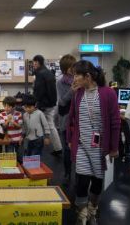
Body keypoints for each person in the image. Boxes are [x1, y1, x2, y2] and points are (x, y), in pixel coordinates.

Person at [67, 60, 120, 225]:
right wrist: (70, 139)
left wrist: (114, 147)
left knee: (97, 181)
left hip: (99, 147)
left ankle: (92, 210)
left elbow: (115, 122)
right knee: (81, 180)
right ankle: (81, 213)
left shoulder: (108, 93)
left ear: (88, 76)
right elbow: (72, 119)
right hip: (82, 144)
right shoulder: (78, 93)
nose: (74, 78)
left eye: (77, 75)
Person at [32, 55, 62, 156]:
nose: (33, 64)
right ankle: (57, 147)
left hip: (45, 104)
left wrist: (35, 102)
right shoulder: (48, 72)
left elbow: (40, 91)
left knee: (49, 125)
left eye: (34, 62)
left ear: (38, 62)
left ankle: (57, 148)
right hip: (50, 103)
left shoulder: (41, 74)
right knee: (49, 125)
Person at [56, 54, 76, 183]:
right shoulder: (60, 81)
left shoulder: (79, 78)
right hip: (65, 118)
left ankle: (79, 173)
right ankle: (67, 173)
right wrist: (72, 90)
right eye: (71, 67)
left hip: (78, 118)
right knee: (67, 148)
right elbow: (62, 102)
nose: (74, 69)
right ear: (66, 68)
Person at [0, 96, 23, 163]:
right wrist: (7, 121)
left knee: (20, 157)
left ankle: (22, 171)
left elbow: (19, 126)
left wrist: (13, 122)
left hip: (18, 139)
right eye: (5, 106)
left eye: (9, 106)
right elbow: (3, 127)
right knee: (10, 158)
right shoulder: (2, 114)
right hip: (9, 140)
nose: (6, 108)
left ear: (13, 106)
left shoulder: (19, 114)